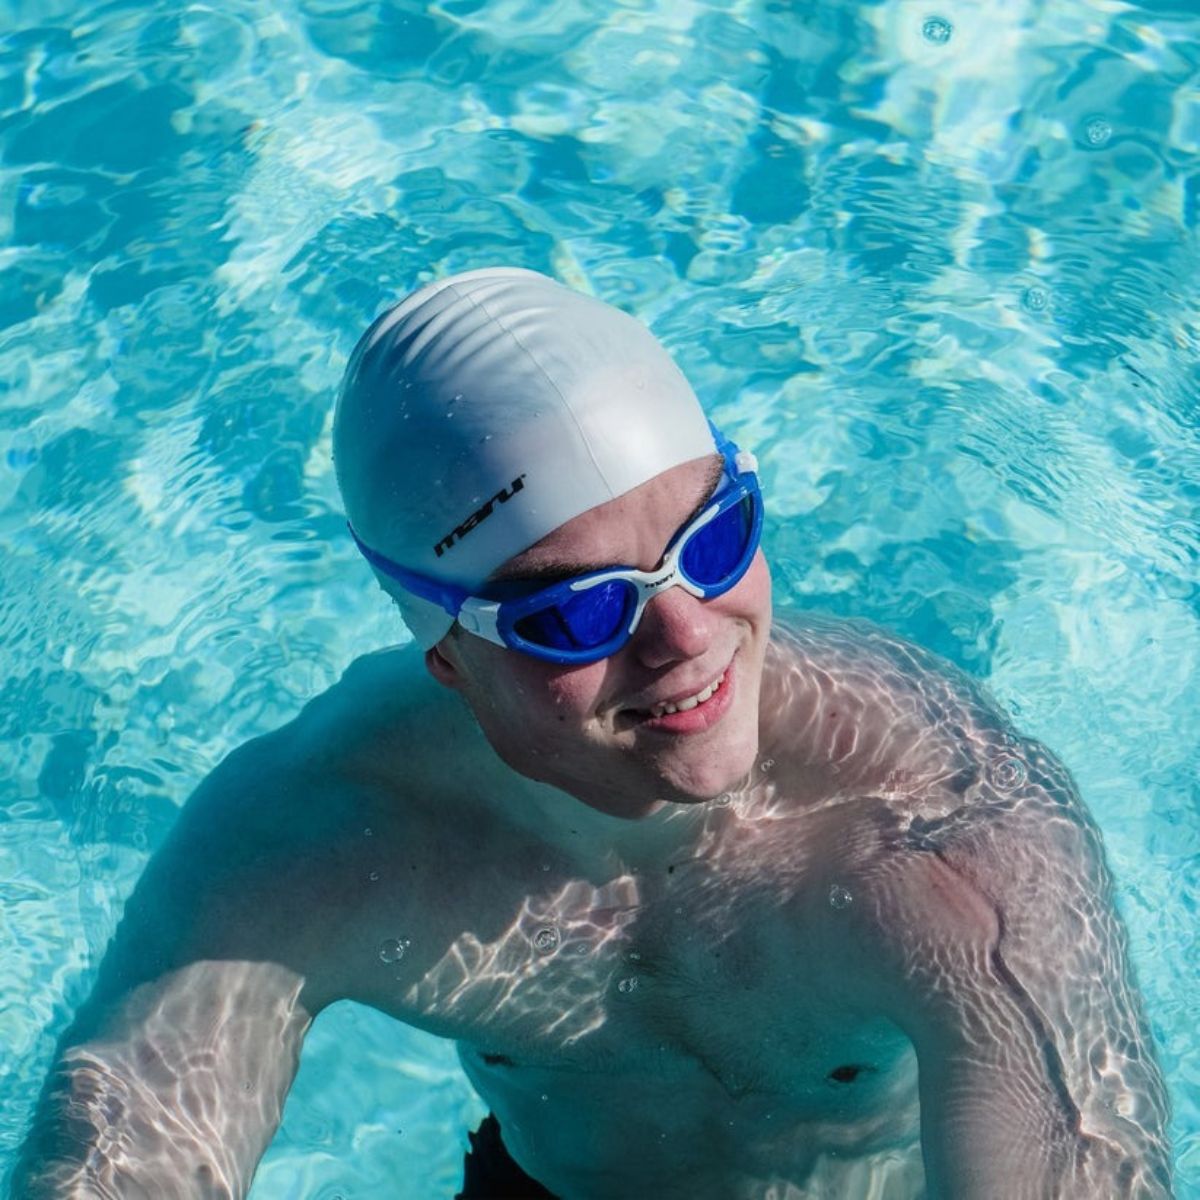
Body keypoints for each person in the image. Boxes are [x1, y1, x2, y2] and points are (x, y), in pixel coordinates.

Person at [15, 268, 1171, 1199]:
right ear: (447, 658)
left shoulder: (938, 822)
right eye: (576, 612)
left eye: (716, 540)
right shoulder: (315, 840)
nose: (687, 634)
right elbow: (124, 1150)